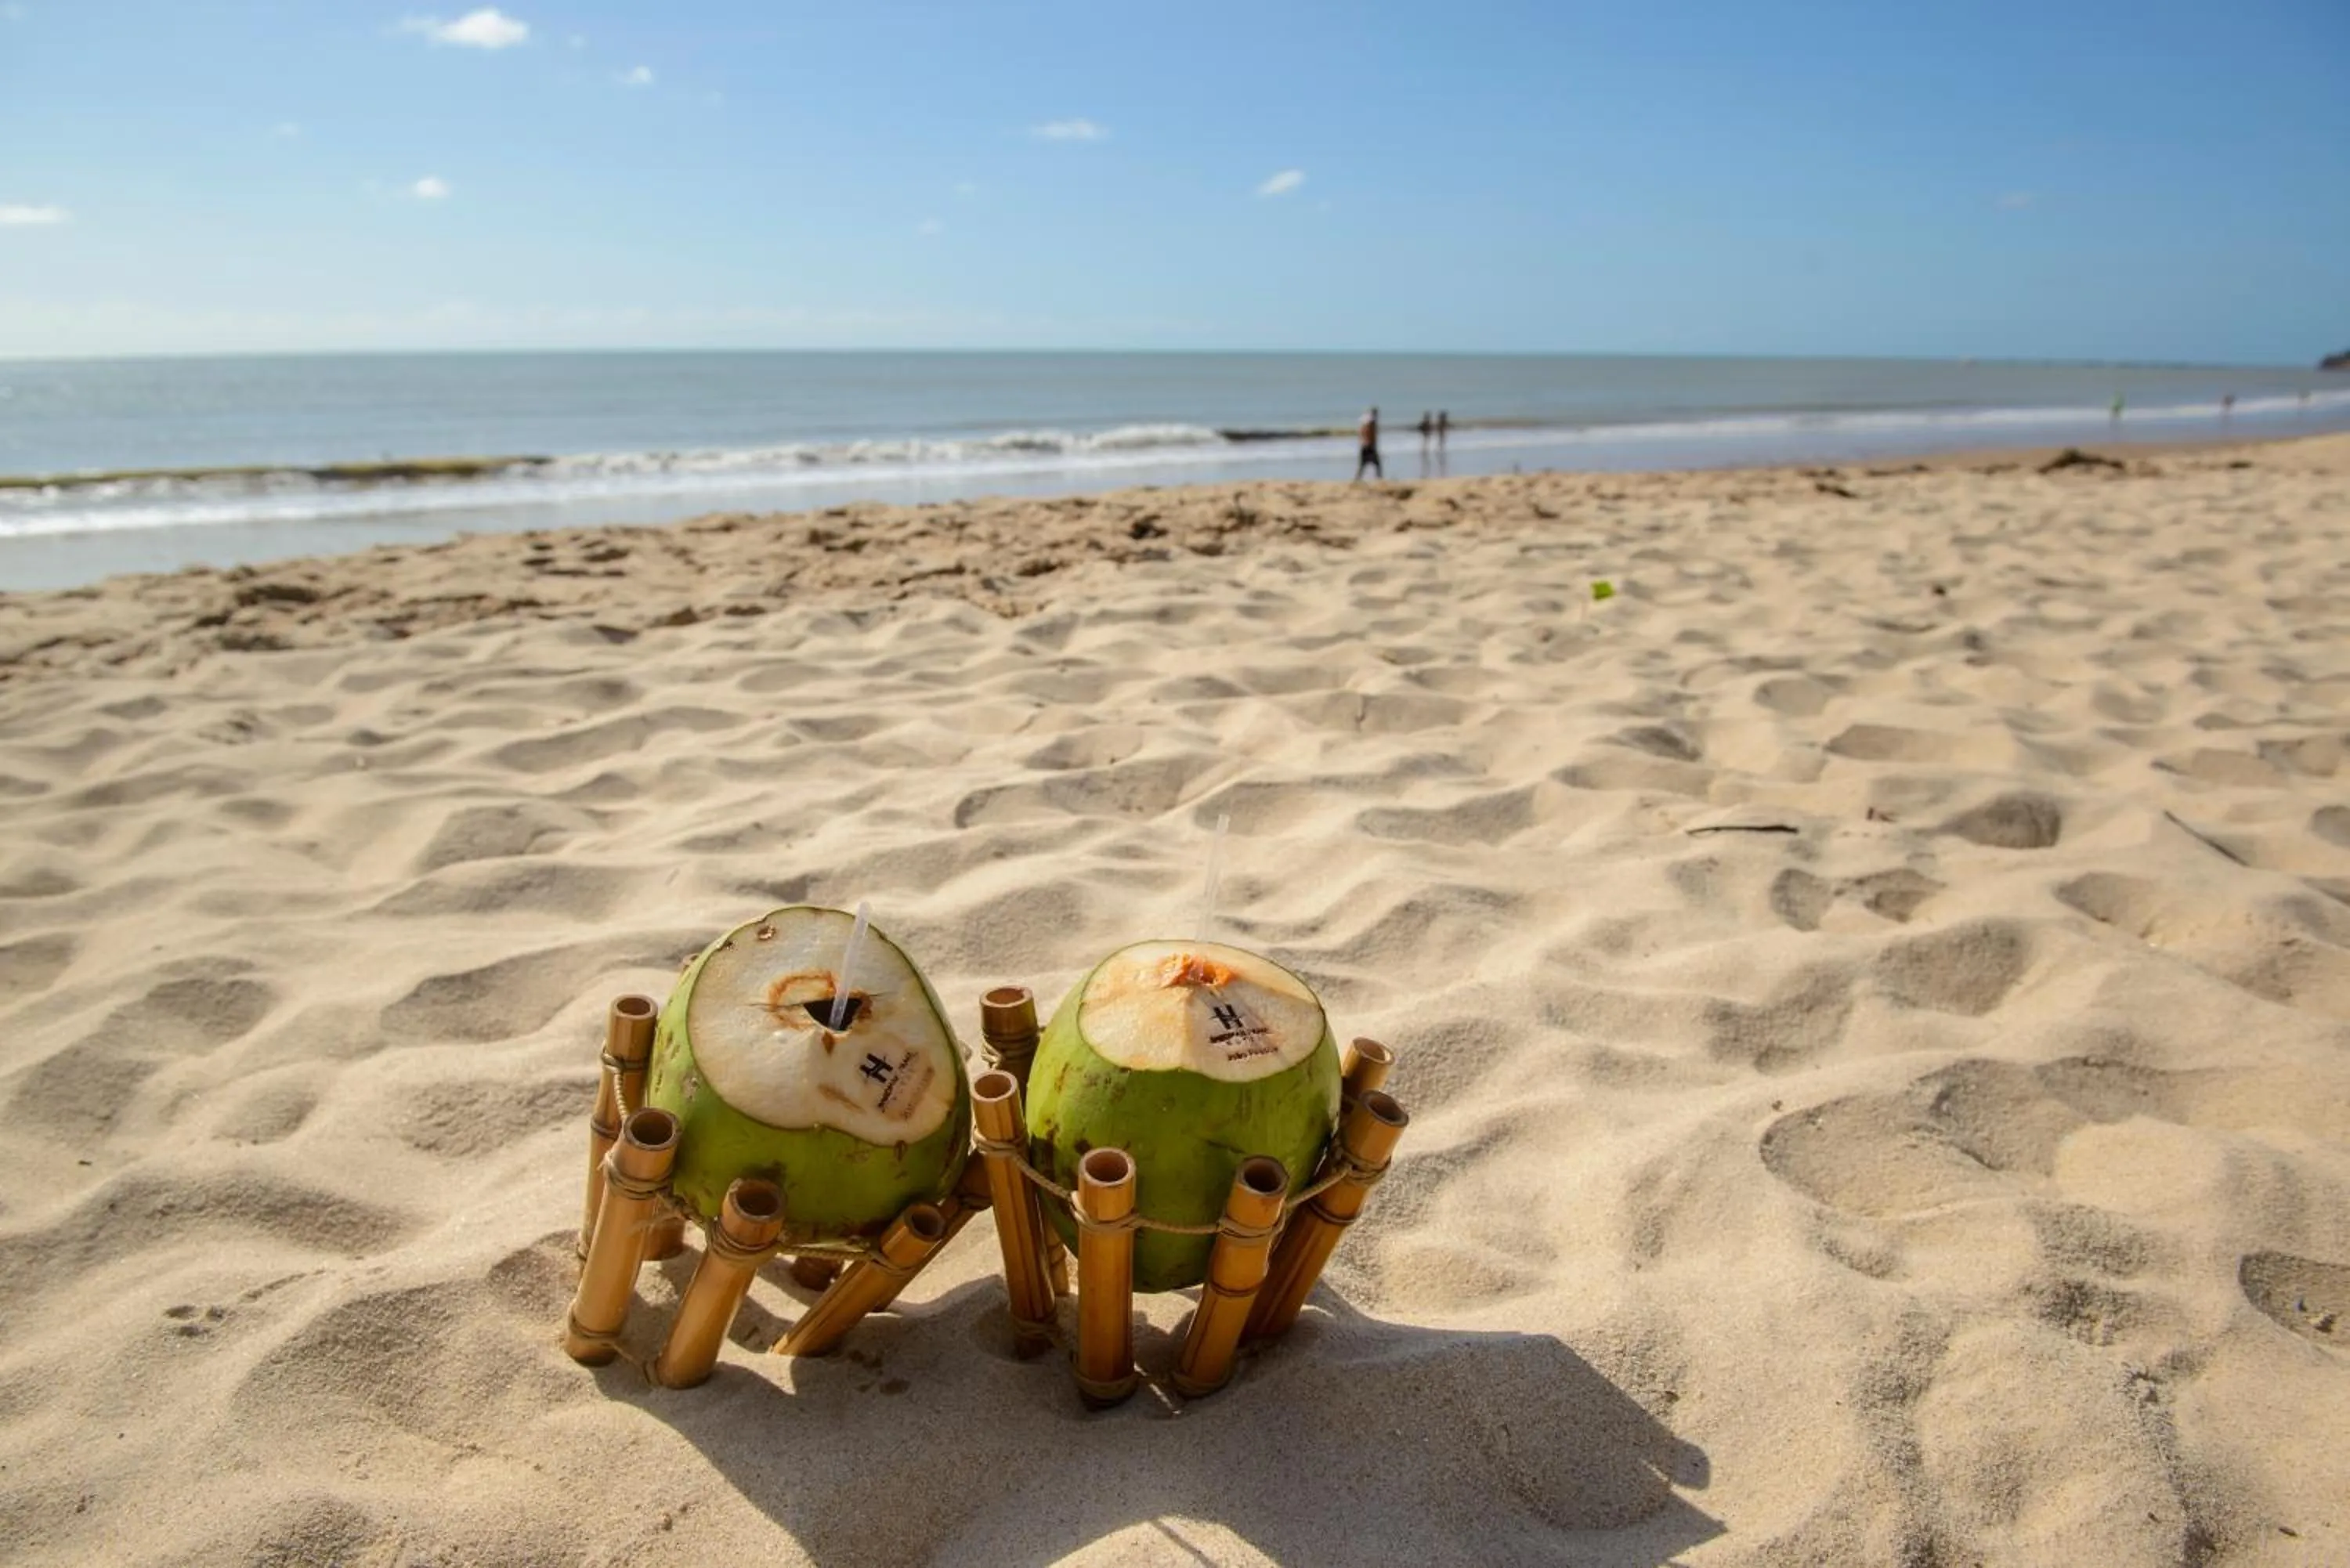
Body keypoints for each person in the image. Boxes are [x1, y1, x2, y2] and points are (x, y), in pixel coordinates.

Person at [1354, 406, 1383, 480]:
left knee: (1364, 465)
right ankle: (1379, 479)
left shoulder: (1366, 421)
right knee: (1376, 465)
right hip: (1369, 446)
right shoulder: (1371, 422)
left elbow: (1362, 433)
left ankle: (1358, 479)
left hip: (1366, 445)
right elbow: (1369, 434)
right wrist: (1369, 442)